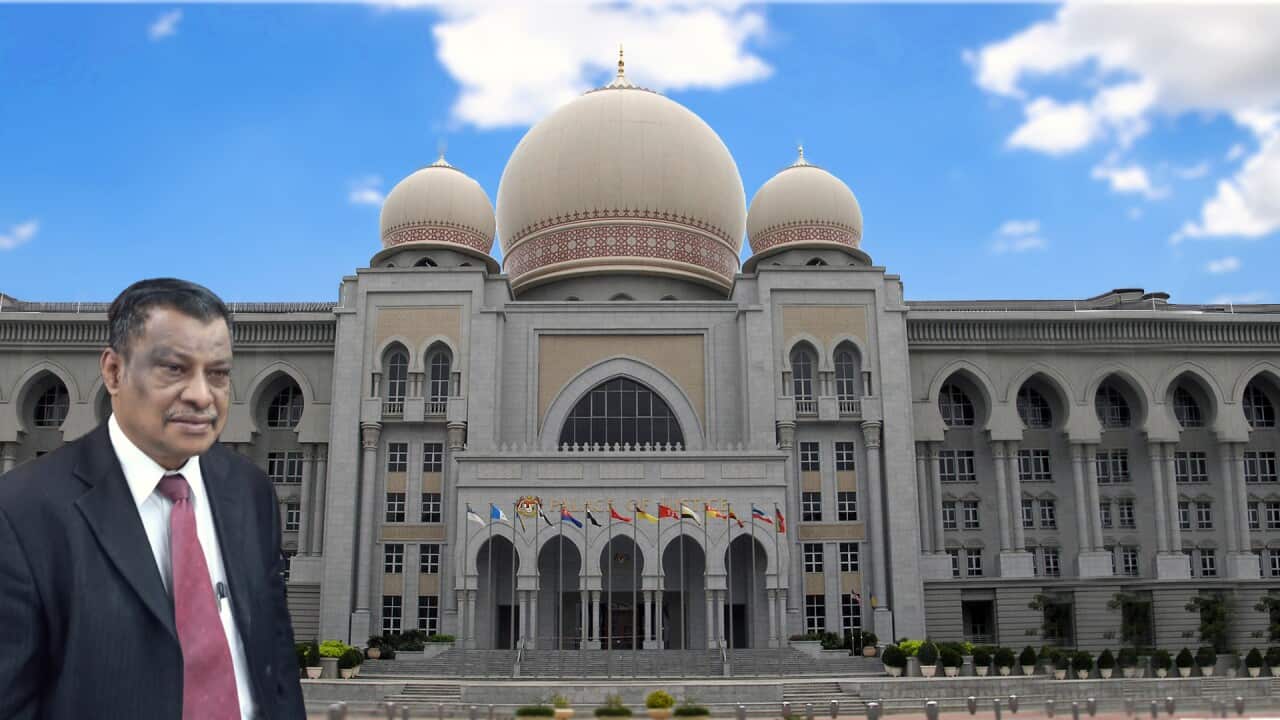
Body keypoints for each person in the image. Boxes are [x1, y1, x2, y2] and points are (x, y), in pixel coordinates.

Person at [0, 278, 306, 719]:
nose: (202, 395)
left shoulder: (250, 492)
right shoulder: (21, 513)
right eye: (174, 369)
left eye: (218, 373)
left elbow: (275, 663)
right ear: (113, 372)